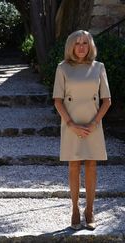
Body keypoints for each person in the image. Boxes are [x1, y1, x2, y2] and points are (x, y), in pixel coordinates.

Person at [52, 30, 111, 231]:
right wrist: (70, 124)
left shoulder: (99, 67)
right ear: (71, 46)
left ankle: (90, 210)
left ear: (90, 46)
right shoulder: (63, 68)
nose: (81, 47)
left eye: (85, 43)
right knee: (74, 166)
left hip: (93, 123)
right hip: (71, 123)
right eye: (77, 43)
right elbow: (58, 100)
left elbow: (107, 100)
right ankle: (75, 209)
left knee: (92, 167)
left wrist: (94, 124)